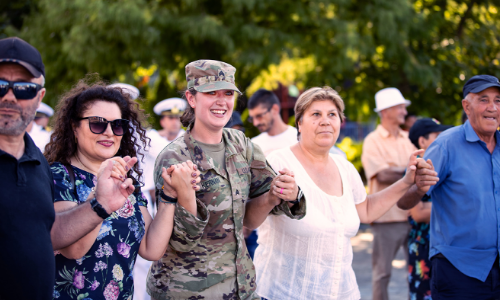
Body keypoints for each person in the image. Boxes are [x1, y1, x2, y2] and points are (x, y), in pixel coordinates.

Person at [253, 86, 435, 300]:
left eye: (332, 114)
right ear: (299, 124)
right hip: (285, 292)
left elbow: (365, 210)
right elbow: (251, 220)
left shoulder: (344, 167)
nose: (325, 121)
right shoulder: (278, 162)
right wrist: (272, 196)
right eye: (315, 114)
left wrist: (406, 181)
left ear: (340, 123)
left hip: (341, 292)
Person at [146, 59, 306, 300]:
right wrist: (188, 196)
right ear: (191, 98)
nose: (221, 101)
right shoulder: (174, 157)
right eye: (211, 93)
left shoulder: (241, 145)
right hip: (188, 291)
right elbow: (180, 241)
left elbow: (261, 208)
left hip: (240, 287)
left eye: (228, 93)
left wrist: (286, 193)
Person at [0, 37, 140, 300]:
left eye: (23, 88)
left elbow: (52, 233)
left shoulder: (36, 162)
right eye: (0, 85)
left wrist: (100, 205)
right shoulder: (58, 172)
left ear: (39, 96)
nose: (9, 96)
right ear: (74, 127)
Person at [44, 81, 201, 299]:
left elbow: (151, 248)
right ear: (74, 126)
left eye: (117, 125)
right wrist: (100, 197)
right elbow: (74, 249)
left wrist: (169, 194)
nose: (109, 132)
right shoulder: (57, 175)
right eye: (97, 124)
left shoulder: (126, 181)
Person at [398, 75, 500, 299]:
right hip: (458, 271)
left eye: (498, 100)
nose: (492, 107)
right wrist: (418, 188)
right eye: (483, 100)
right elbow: (404, 200)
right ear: (467, 106)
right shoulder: (445, 144)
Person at [361, 87, 417, 300]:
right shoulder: (372, 141)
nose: (405, 111)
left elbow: (399, 171)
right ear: (385, 111)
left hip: (413, 215)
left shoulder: (408, 138)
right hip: (388, 218)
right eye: (400, 107)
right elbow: (382, 175)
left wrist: (402, 171)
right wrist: (410, 170)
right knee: (382, 274)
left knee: (417, 271)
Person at [135, 97, 187, 300]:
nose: (174, 121)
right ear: (162, 120)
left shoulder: (187, 138)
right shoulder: (149, 139)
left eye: (177, 117)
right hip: (152, 203)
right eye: (170, 118)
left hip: (182, 205)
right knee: (146, 260)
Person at [406, 118, 451, 300]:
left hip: (446, 246)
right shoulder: (413, 169)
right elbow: (418, 213)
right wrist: (454, 206)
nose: (442, 139)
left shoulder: (443, 165)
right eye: (437, 135)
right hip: (423, 246)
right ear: (422, 141)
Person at [248, 88, 298, 156]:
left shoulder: (298, 138)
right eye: (252, 118)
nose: (255, 123)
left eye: (259, 116)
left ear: (275, 109)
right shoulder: (254, 145)